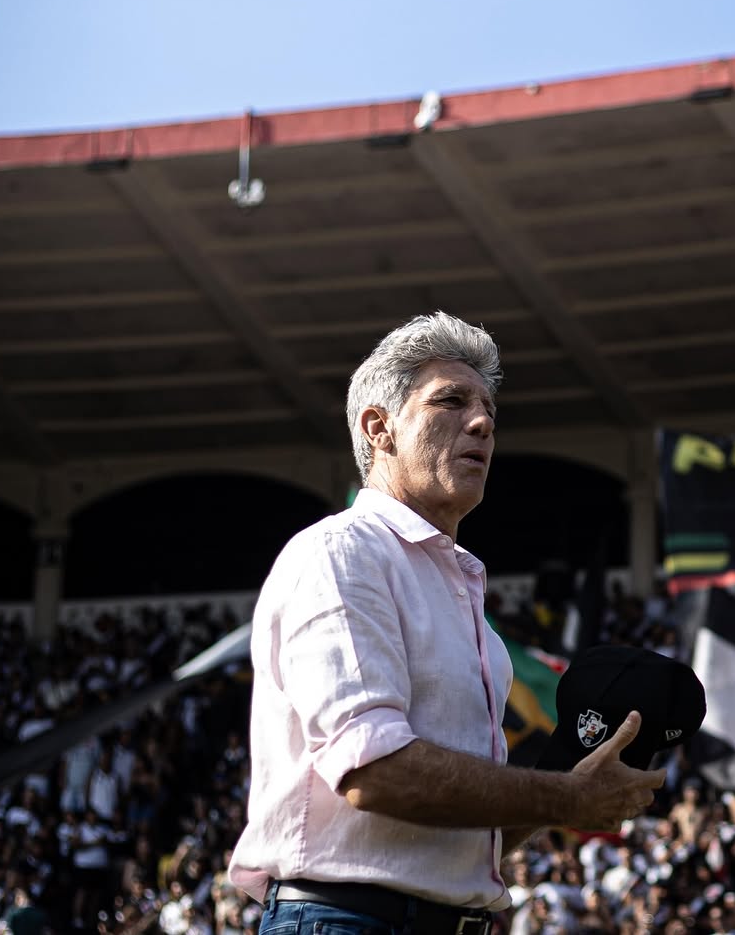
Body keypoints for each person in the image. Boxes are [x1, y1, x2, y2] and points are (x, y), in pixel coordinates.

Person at [229, 311, 665, 935]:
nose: (483, 423)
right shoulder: (343, 552)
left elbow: (471, 839)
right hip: (345, 920)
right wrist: (565, 797)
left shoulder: (467, 604)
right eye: (451, 401)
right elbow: (373, 772)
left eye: (488, 409)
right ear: (379, 428)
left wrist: (573, 786)